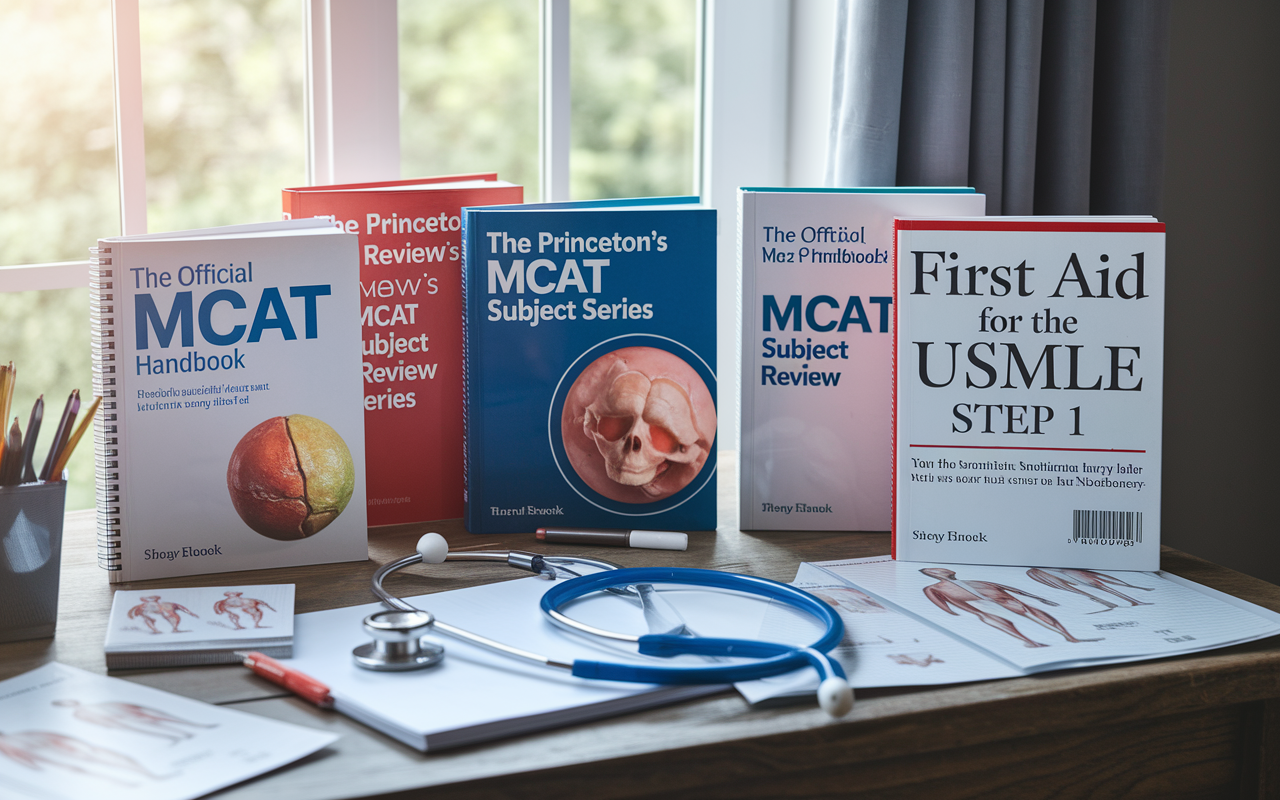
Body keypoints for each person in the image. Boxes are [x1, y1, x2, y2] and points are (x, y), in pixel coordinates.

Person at [920, 567, 1103, 648]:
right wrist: (950, 612)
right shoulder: (933, 587)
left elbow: (1007, 588)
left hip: (1004, 599)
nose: (942, 570)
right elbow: (939, 602)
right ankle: (1029, 641)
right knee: (995, 618)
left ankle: (1070, 637)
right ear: (931, 574)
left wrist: (1037, 597)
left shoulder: (972, 580)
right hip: (978, 606)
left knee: (1032, 611)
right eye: (936, 570)